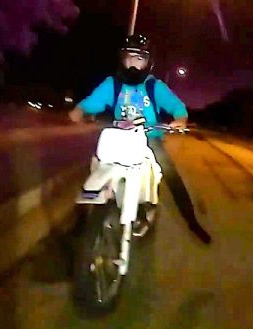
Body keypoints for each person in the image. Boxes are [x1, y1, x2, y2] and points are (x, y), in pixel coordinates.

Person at [69, 34, 210, 243]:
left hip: (149, 138)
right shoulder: (113, 84)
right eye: (130, 57)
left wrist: (180, 119)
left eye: (140, 58)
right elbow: (91, 102)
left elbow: (177, 107)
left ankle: (191, 221)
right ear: (122, 59)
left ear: (148, 62)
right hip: (118, 137)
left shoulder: (154, 86)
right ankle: (81, 226)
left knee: (170, 174)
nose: (134, 63)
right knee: (95, 166)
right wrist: (79, 111)